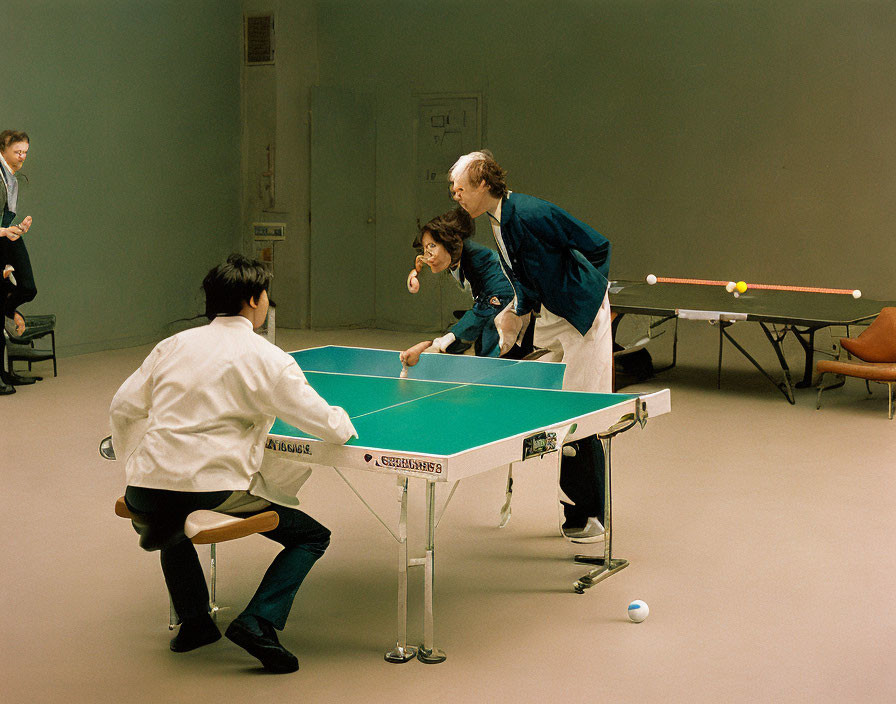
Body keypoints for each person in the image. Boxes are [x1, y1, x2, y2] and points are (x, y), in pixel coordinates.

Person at [110, 254, 357, 674]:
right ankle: (258, 620)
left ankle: (195, 624)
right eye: (266, 296)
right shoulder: (267, 357)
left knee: (171, 522)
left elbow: (123, 406)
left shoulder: (172, 346)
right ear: (255, 299)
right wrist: (344, 422)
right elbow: (325, 425)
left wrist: (135, 462)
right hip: (212, 489)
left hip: (145, 494)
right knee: (312, 536)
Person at [448, 150, 612, 543]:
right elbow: (525, 272)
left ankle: (590, 517)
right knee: (555, 409)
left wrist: (586, 292)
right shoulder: (497, 220)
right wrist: (516, 313)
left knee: (580, 412)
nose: (456, 197)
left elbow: (598, 246)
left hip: (581, 316)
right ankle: (578, 508)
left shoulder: (533, 213)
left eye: (460, 190)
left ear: (484, 184)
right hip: (554, 315)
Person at [401, 207, 517, 367]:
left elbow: (489, 305)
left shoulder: (483, 262)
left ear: (449, 244)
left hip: (514, 308)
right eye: (425, 248)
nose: (426, 254)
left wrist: (437, 344)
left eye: (432, 246)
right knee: (463, 335)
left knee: (488, 348)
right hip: (491, 305)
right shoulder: (456, 259)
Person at [1, 129, 36, 393]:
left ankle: (7, 309)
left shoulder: (11, 177)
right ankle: (3, 375)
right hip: (1, 237)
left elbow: (5, 217)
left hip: (6, 235)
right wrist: (4, 231)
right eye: (17, 151)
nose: (22, 156)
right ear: (4, 150)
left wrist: (18, 227)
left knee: (28, 287)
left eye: (25, 151)